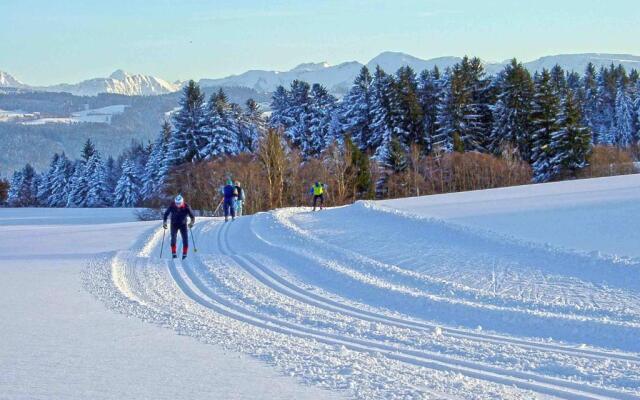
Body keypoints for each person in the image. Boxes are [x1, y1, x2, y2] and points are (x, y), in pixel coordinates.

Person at [163, 194, 195, 259]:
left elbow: (192, 217)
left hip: (183, 225)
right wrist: (165, 222)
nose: (177, 205)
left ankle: (184, 254)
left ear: (182, 202)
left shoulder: (186, 206)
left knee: (185, 239)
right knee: (173, 238)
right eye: (176, 203)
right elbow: (166, 214)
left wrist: (191, 223)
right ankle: (174, 253)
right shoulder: (172, 205)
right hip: (174, 224)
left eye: (179, 203)